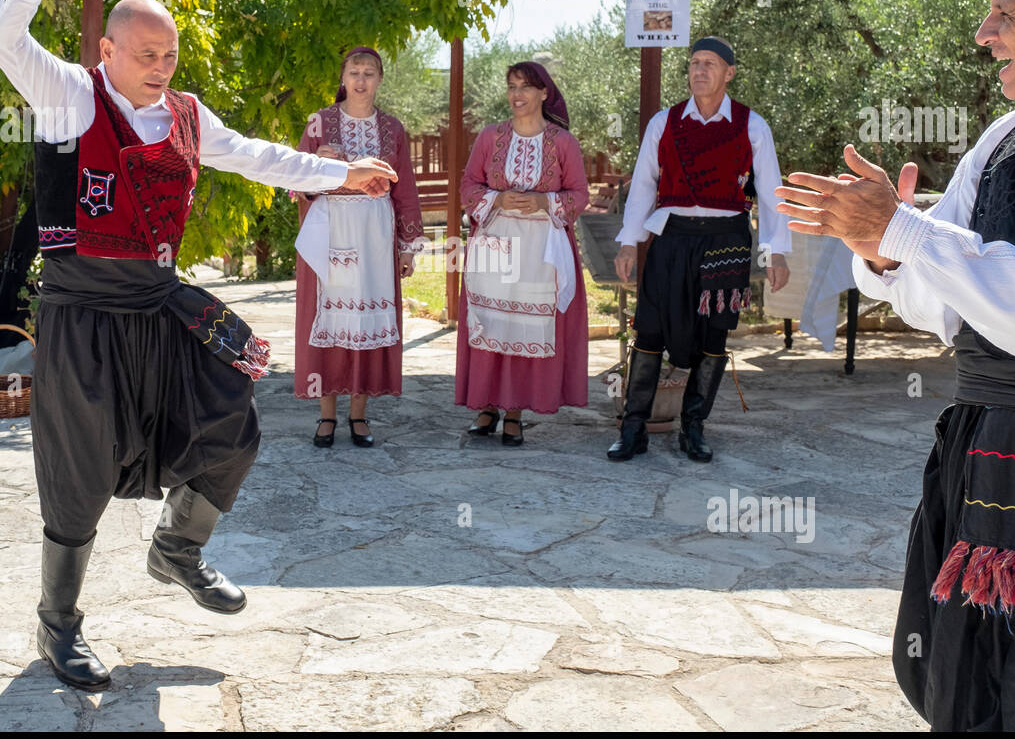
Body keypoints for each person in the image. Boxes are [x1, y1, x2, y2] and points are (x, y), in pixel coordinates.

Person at [0, 0, 396, 692]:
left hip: (161, 304)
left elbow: (263, 157)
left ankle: (177, 547)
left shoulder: (190, 117)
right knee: (80, 471)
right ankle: (58, 624)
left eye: (168, 56)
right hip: (84, 316)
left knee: (231, 423)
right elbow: (0, 34)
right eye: (146, 55)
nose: (160, 69)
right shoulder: (69, 95)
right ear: (108, 52)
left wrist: (341, 173)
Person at [773, 0, 1015, 731]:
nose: (983, 32)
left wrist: (910, 236)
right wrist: (884, 254)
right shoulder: (1003, 141)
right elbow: (949, 306)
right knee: (958, 671)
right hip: (980, 448)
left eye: (1004, 14)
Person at [608, 38, 790, 464]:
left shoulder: (752, 125)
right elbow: (643, 187)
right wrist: (628, 243)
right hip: (671, 238)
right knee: (650, 331)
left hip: (726, 240)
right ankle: (633, 428)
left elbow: (770, 191)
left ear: (729, 73)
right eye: (694, 63)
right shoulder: (664, 123)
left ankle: (694, 427)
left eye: (710, 64)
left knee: (714, 335)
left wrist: (776, 252)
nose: (700, 70)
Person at [294, 47, 423, 448]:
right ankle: (327, 416)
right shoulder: (320, 122)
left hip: (374, 235)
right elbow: (295, 177)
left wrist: (408, 245)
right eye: (354, 72)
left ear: (380, 79)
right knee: (328, 321)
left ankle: (360, 415)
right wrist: (317, 161)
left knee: (366, 321)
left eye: (369, 73)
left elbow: (407, 192)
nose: (361, 80)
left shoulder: (393, 129)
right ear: (343, 77)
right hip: (331, 229)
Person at [456, 61, 589, 445]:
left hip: (539, 250)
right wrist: (497, 197)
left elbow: (579, 194)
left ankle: (514, 410)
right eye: (512, 86)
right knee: (490, 322)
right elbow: (468, 184)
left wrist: (544, 202)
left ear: (544, 93)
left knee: (522, 325)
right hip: (495, 243)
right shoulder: (490, 137)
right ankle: (487, 405)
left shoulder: (563, 142)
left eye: (526, 87)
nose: (518, 94)